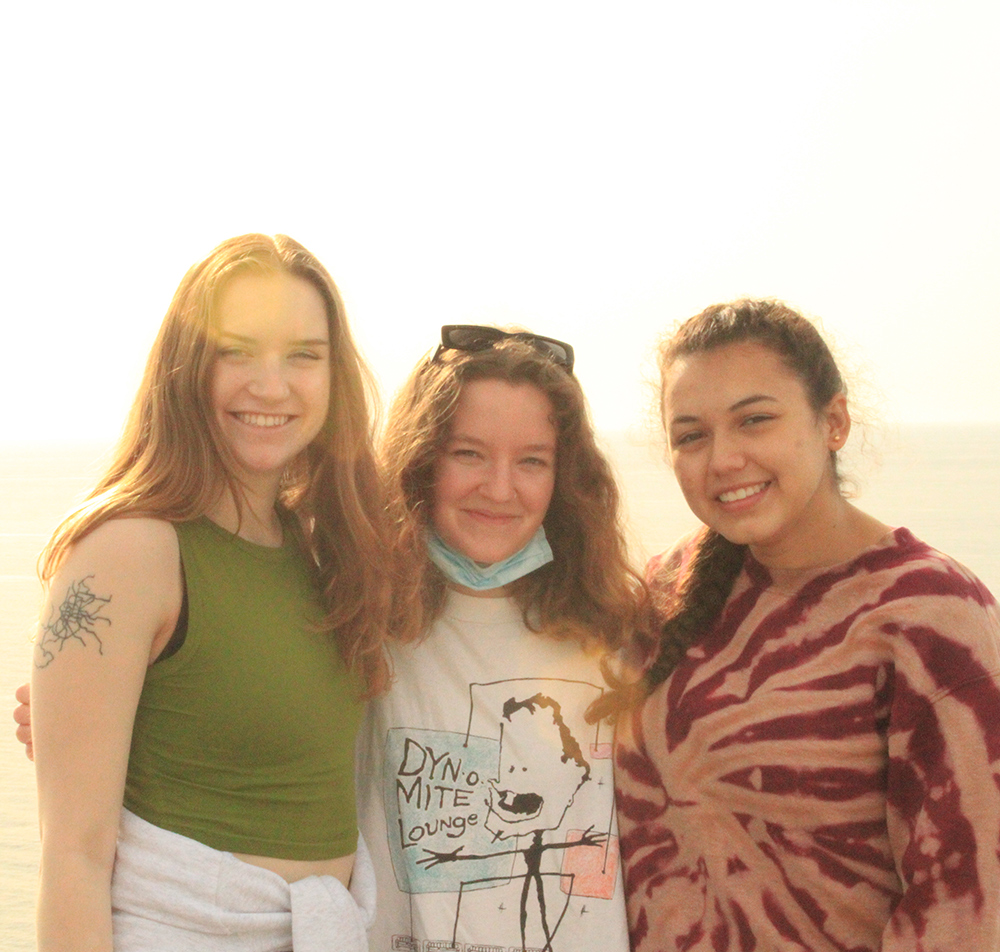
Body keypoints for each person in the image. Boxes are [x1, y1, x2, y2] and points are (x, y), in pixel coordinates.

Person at [29, 234, 389, 952]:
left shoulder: (317, 550)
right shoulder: (132, 548)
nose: (272, 384)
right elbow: (72, 855)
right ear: (189, 365)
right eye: (238, 350)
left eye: (303, 355)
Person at [613, 299, 1000, 951]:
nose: (724, 459)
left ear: (835, 422)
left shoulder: (930, 615)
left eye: (755, 420)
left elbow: (964, 908)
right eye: (691, 436)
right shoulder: (664, 588)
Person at [357, 325, 642, 952]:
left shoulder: (615, 633)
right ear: (421, 459)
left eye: (532, 461)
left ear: (564, 478)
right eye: (469, 453)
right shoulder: (361, 624)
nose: (499, 487)